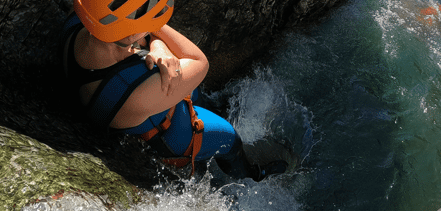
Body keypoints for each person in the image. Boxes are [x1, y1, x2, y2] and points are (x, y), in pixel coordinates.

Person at [60, 0, 285, 181]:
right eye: (147, 16)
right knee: (230, 140)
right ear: (129, 32)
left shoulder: (83, 21)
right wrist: (155, 35)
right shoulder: (134, 93)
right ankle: (253, 175)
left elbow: (130, 34)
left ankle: (215, 108)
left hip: (155, 100)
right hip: (170, 132)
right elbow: (199, 61)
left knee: (192, 89)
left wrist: (158, 45)